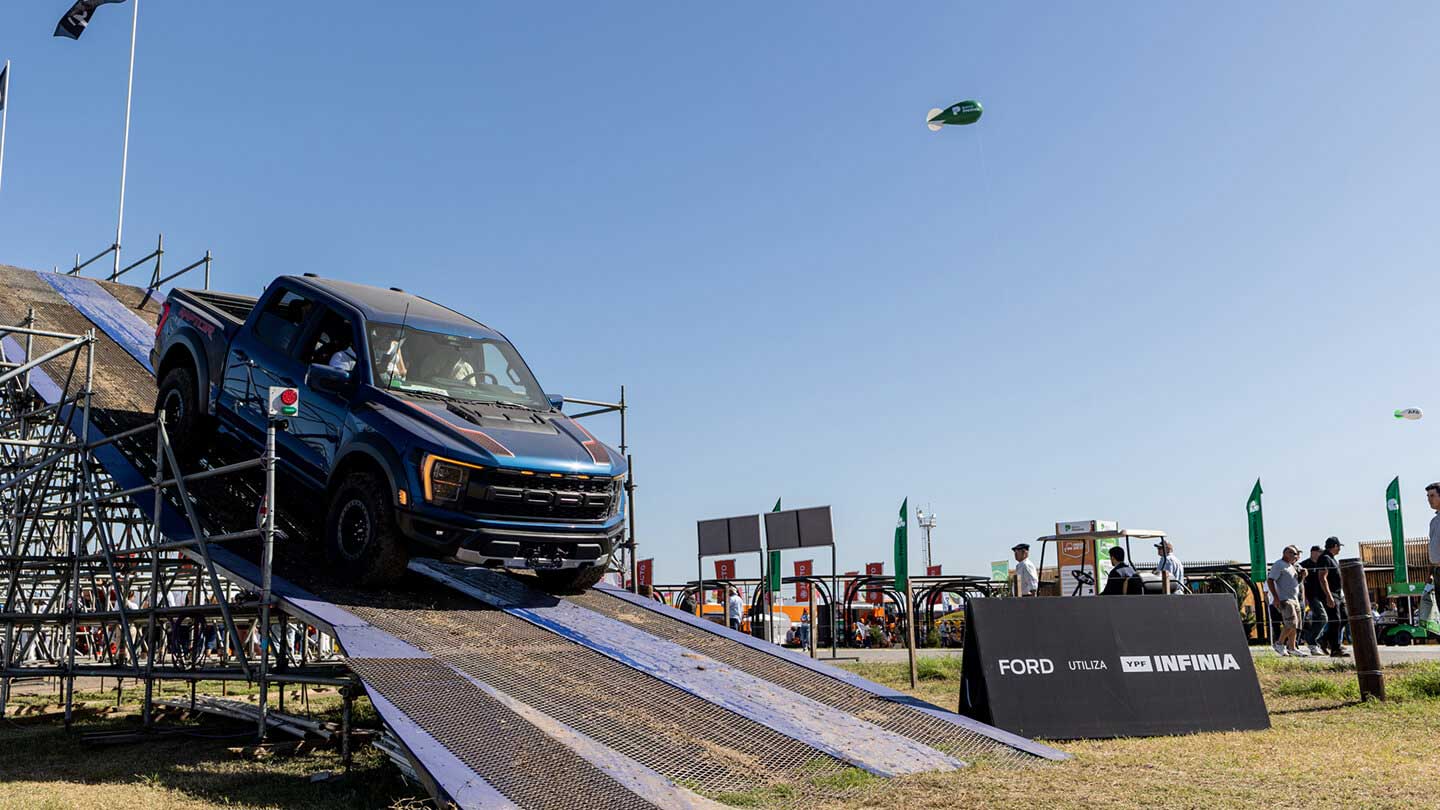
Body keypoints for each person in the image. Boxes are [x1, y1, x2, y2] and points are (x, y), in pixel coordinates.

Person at [1267, 545, 1309, 656]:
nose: (1295, 556)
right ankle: (1279, 643)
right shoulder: (1279, 565)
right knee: (1291, 623)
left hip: (1295, 599)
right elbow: (1270, 580)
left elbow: (1296, 582)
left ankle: (1292, 647)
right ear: (1285, 553)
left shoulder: (1292, 566)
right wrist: (1276, 597)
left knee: (1296, 625)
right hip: (1285, 599)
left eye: (1296, 554)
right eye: (1293, 553)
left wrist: (1302, 575)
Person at [1297, 545, 1334, 656]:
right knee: (1322, 617)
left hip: (1322, 596)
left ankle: (1316, 640)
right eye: (1320, 552)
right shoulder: (1304, 565)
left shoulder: (1322, 563)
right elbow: (1300, 583)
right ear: (1313, 552)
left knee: (1323, 619)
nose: (1321, 554)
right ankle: (1311, 639)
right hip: (1310, 596)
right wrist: (1304, 598)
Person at [1317, 537, 1348, 657]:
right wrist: (1328, 596)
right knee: (1335, 620)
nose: (1339, 549)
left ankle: (1324, 639)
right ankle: (1335, 649)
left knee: (1344, 617)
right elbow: (1322, 577)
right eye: (1339, 546)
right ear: (1335, 546)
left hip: (1338, 594)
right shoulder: (1324, 558)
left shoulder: (1332, 558)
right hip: (1330, 594)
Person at [1428, 482, 1440, 597]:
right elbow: (1433, 548)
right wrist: (1430, 574)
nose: (1429, 499)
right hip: (1437, 571)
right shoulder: (1434, 522)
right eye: (1428, 496)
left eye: (1432, 495)